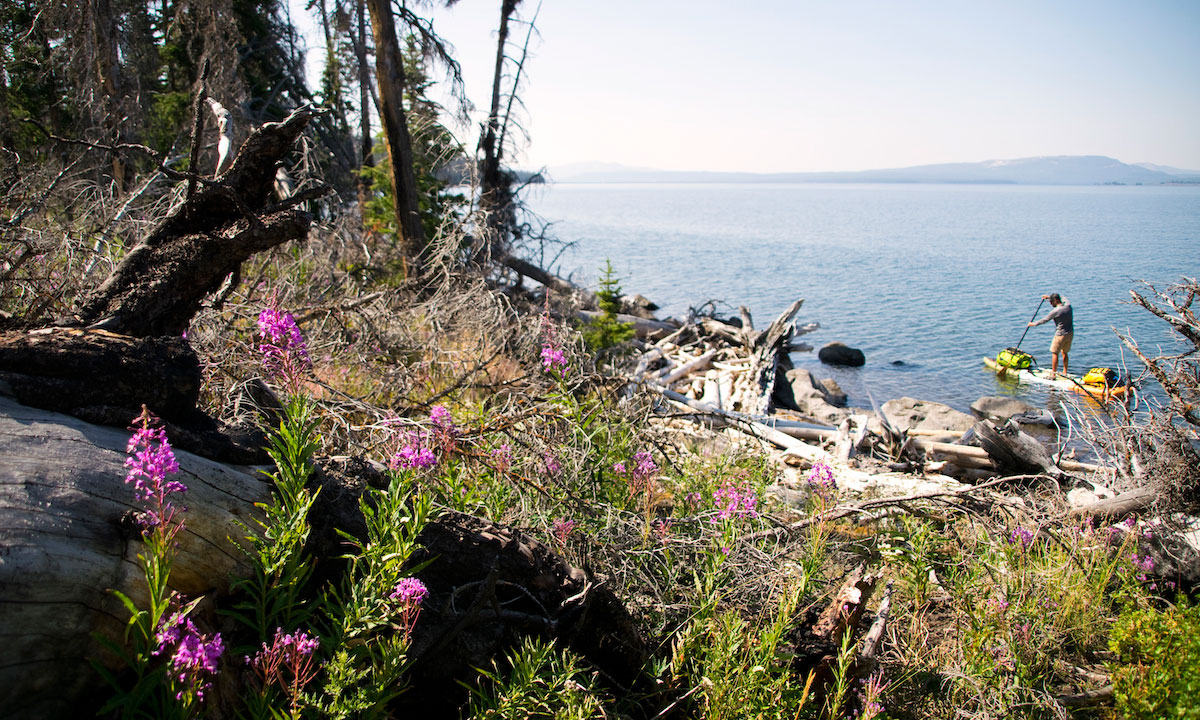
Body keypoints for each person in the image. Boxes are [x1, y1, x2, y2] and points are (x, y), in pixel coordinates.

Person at [1027, 293, 1073, 378]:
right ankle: (1065, 372)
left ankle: (1053, 374)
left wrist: (1033, 324)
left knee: (1055, 353)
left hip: (1060, 335)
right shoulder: (1068, 305)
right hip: (1070, 334)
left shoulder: (1056, 311)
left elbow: (1044, 320)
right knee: (1065, 352)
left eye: (1051, 302)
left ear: (1055, 301)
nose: (1051, 304)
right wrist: (1048, 297)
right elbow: (1064, 297)